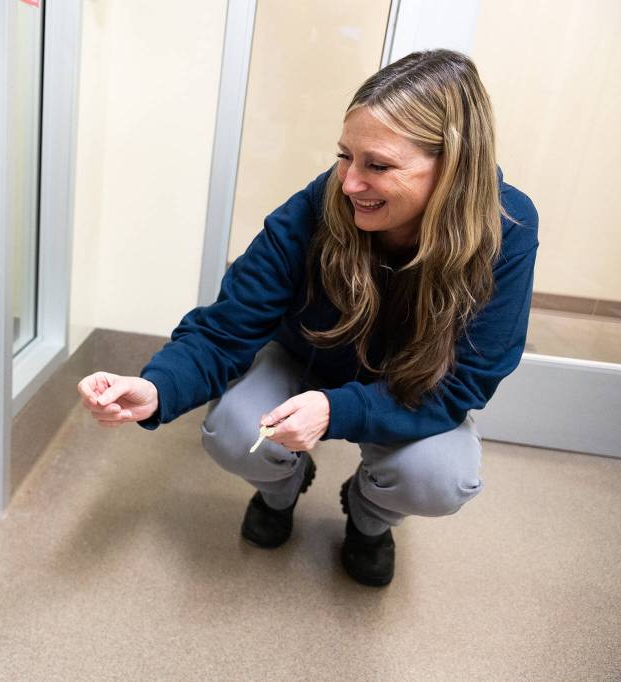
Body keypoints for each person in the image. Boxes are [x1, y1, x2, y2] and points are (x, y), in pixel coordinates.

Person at [76, 49, 538, 587]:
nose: (348, 183)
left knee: (440, 478)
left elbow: (465, 382)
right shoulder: (318, 205)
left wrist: (335, 410)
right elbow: (228, 326)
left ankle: (369, 520)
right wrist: (156, 387)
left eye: (378, 165)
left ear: (453, 167)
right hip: (305, 357)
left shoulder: (507, 230)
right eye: (346, 156)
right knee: (231, 431)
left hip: (411, 386)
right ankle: (282, 490)